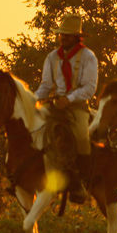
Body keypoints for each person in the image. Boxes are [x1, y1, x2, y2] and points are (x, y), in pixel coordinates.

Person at [33, 13, 97, 203]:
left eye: (67, 35)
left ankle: (82, 182)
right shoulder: (52, 57)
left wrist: (69, 99)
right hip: (55, 105)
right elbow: (45, 85)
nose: (63, 38)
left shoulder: (88, 57)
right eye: (62, 34)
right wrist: (33, 101)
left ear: (77, 37)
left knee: (82, 137)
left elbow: (89, 88)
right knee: (34, 129)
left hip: (77, 107)